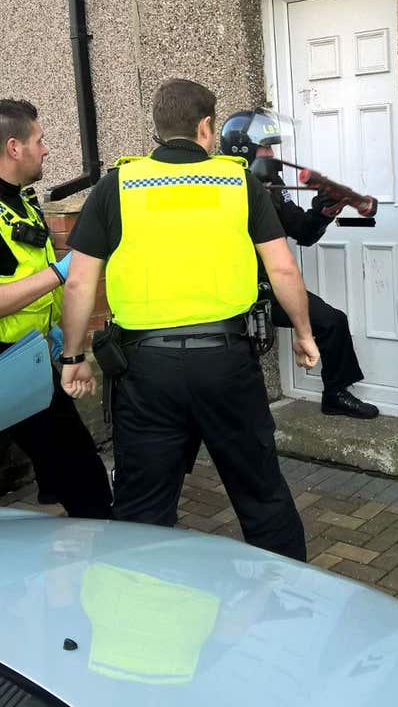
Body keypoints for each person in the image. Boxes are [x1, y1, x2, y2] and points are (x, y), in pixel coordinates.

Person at [60, 79, 318, 562]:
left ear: (157, 130)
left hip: (145, 371)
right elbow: (282, 266)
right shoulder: (238, 181)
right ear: (205, 127)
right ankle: (289, 606)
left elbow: (78, 284)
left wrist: (73, 357)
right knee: (262, 495)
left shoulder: (117, 186)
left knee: (142, 510)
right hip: (226, 364)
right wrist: (304, 333)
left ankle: (144, 612)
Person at [220, 108, 379, 420]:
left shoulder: (270, 184)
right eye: (266, 146)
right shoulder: (232, 189)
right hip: (244, 287)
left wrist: (325, 211)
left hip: (272, 283)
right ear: (246, 149)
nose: (272, 153)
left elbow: (302, 231)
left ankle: (335, 393)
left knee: (332, 321)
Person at [0, 99, 111, 518]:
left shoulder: (21, 203)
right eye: (39, 141)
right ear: (14, 147)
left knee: (80, 475)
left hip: (26, 362)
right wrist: (62, 272)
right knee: (83, 479)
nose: (46, 149)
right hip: (7, 369)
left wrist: (60, 339)